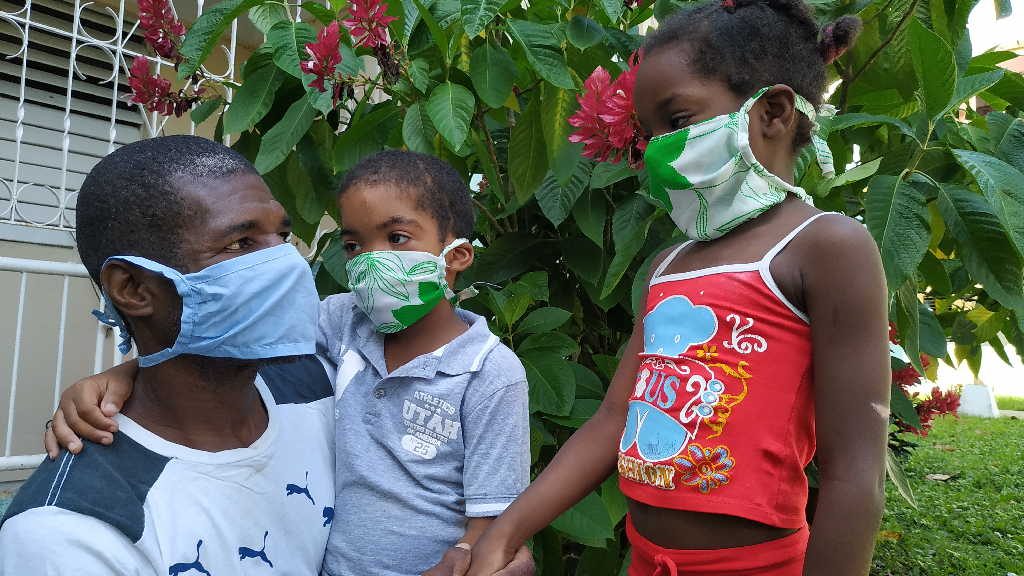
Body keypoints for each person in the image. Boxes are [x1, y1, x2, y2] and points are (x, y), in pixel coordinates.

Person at [466, 1, 890, 575]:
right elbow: (614, 419)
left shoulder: (827, 247)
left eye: (679, 121)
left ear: (774, 112)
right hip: (646, 561)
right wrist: (505, 532)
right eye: (649, 135)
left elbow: (853, 470)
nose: (659, 150)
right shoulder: (670, 263)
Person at [44, 150, 534, 576]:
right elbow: (237, 337)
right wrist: (126, 372)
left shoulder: (489, 372)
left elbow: (494, 513)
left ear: (458, 255)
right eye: (353, 245)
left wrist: (476, 556)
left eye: (398, 238)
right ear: (131, 290)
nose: (369, 260)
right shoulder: (345, 324)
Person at [0, 135, 336, 575]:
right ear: (133, 288)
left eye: (283, 235)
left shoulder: (319, 384)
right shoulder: (69, 532)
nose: (288, 263)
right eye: (241, 244)